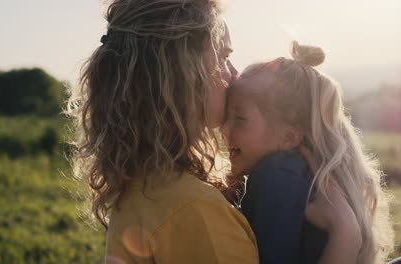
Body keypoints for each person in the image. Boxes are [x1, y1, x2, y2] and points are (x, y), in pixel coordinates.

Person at [66, 0, 259, 263]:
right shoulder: (195, 209)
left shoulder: (142, 186)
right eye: (224, 57)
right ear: (183, 72)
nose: (235, 75)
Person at [220, 42, 394, 264]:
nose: (224, 129)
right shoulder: (302, 173)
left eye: (240, 119)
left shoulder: (276, 175)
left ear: (289, 138)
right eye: (226, 116)